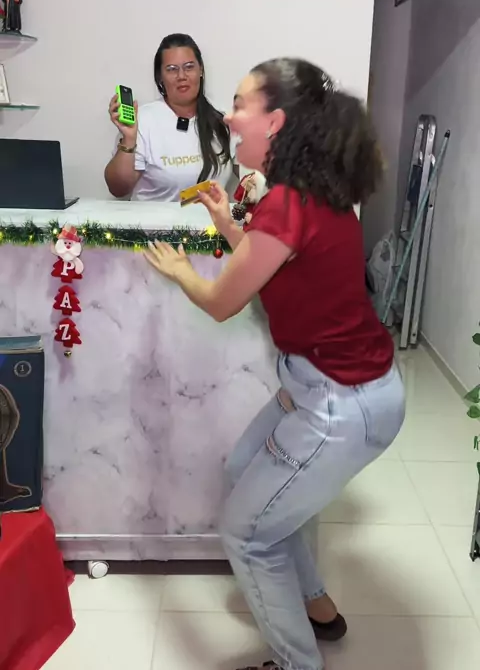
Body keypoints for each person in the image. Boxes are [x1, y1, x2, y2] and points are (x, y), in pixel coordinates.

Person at [143, 57, 406, 670]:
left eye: (241, 105)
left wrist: (181, 270)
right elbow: (274, 264)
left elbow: (223, 301)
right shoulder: (304, 195)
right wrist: (225, 223)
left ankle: (296, 664)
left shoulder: (288, 200)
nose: (229, 117)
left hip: (341, 402)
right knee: (244, 468)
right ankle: (317, 607)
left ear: (276, 121)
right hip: (325, 387)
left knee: (246, 533)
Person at [104, 33, 237, 201]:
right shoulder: (143, 120)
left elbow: (251, 175)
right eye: (172, 69)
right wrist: (129, 139)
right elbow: (118, 188)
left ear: (201, 70)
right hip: (155, 218)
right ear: (160, 76)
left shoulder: (222, 119)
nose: (182, 76)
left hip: (211, 218)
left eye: (189, 67)